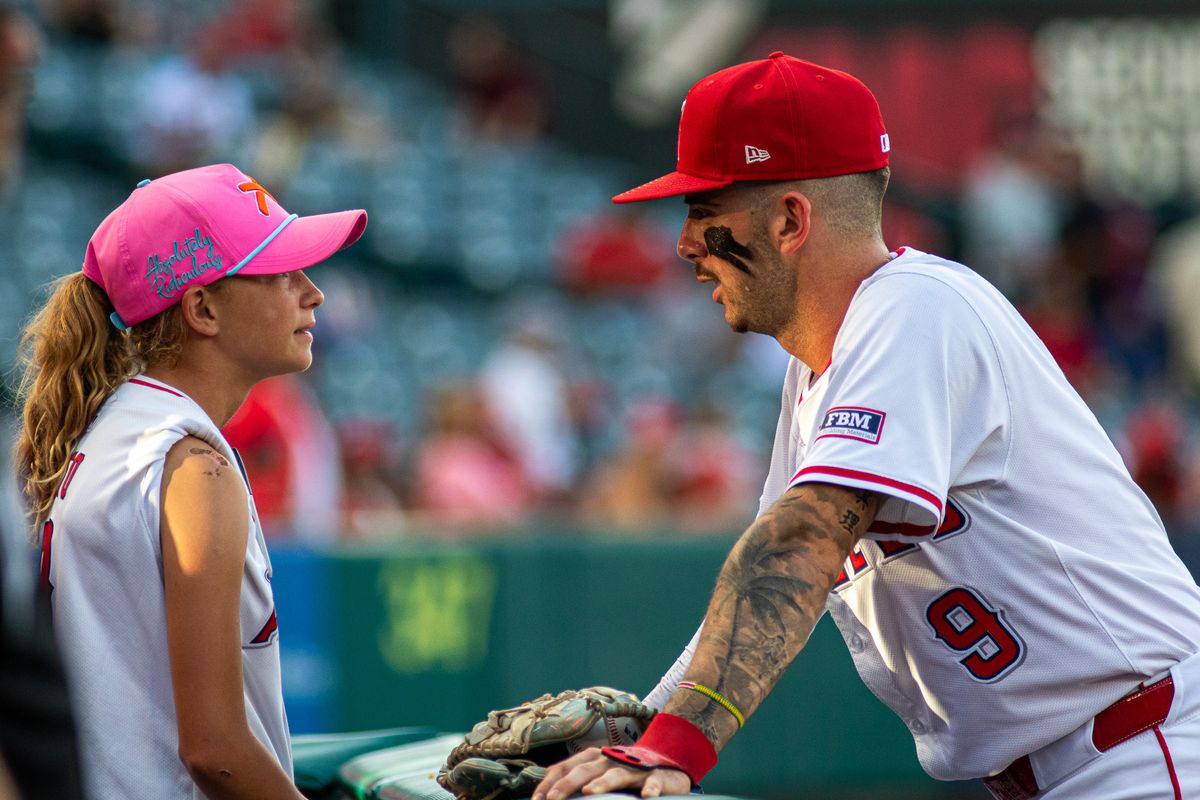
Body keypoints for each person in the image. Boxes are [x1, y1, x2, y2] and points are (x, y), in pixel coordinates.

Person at [535, 52, 1200, 800]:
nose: (684, 244)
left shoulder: (915, 310)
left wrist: (677, 743)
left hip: (1145, 748)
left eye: (703, 212)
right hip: (1079, 762)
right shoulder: (823, 366)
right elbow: (770, 577)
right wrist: (633, 737)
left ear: (790, 219)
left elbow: (798, 550)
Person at [14, 163, 367, 799]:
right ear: (202, 307)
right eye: (281, 273)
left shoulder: (111, 427)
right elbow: (216, 751)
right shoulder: (192, 464)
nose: (313, 293)